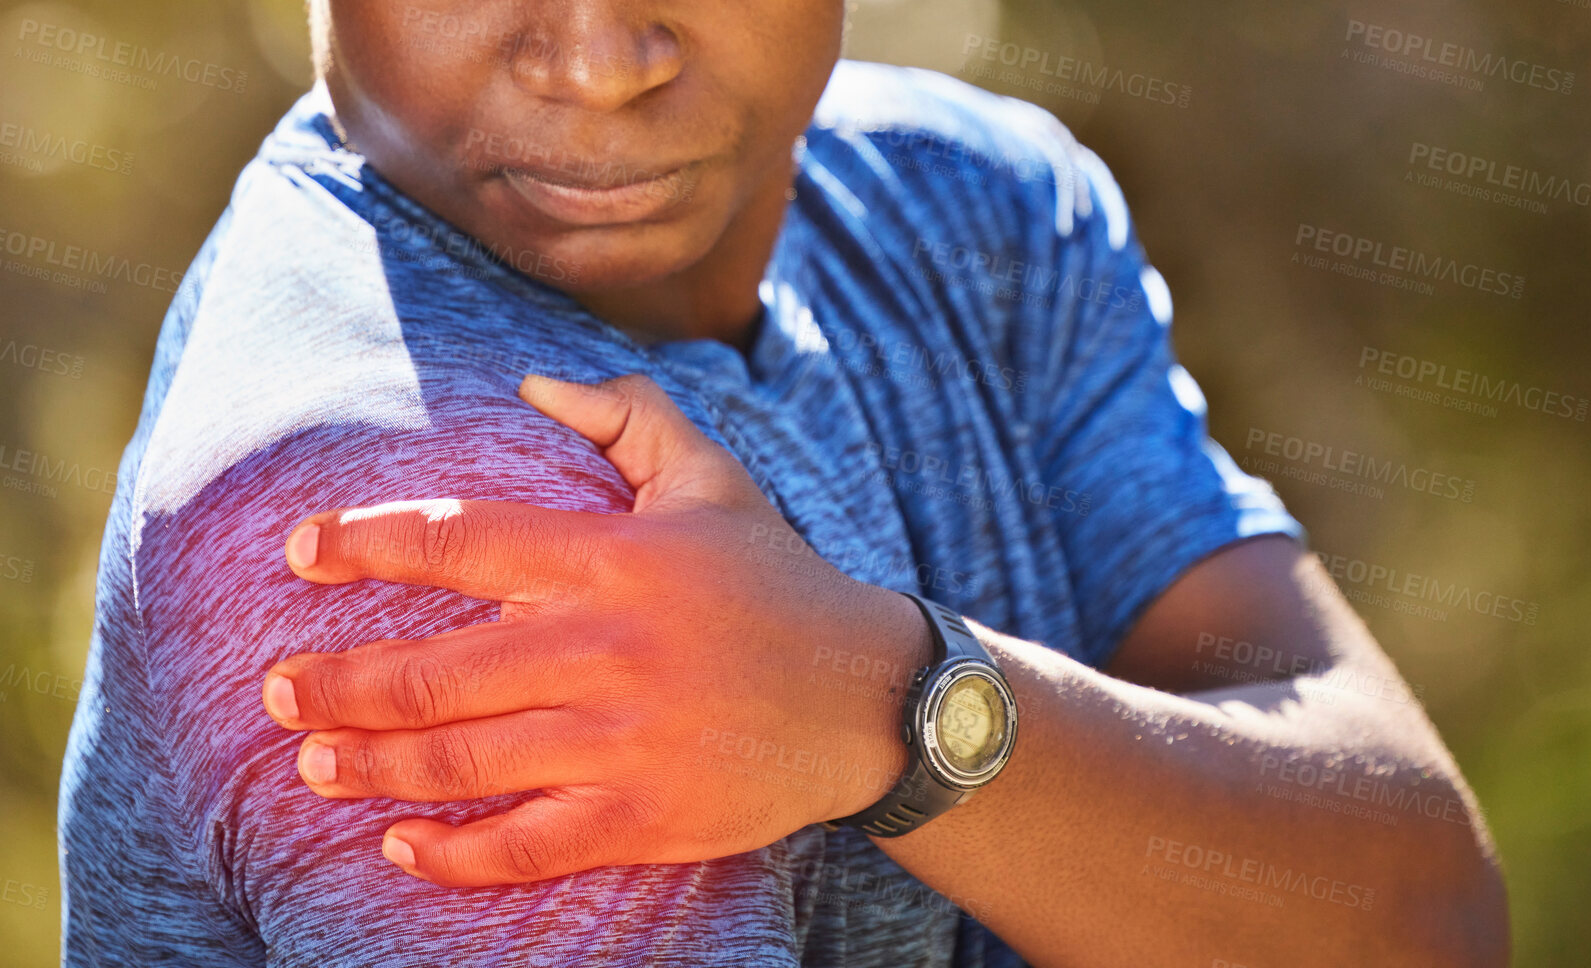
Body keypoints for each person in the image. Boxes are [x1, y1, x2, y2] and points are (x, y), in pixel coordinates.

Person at [59, 1, 1508, 965]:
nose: (599, 59)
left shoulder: (975, 209)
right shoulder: (420, 518)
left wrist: (883, 703)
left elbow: (1423, 909)